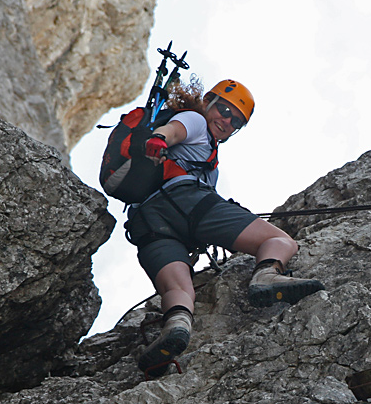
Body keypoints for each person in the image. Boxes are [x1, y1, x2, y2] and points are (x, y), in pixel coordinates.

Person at [124, 76, 324, 377]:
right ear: (208, 103)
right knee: (280, 241)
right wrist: (160, 138)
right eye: (225, 111)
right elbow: (175, 130)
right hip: (188, 202)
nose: (227, 121)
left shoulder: (207, 157)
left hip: (148, 223)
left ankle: (176, 327)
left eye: (236, 122)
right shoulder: (194, 119)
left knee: (179, 289)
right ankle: (266, 276)